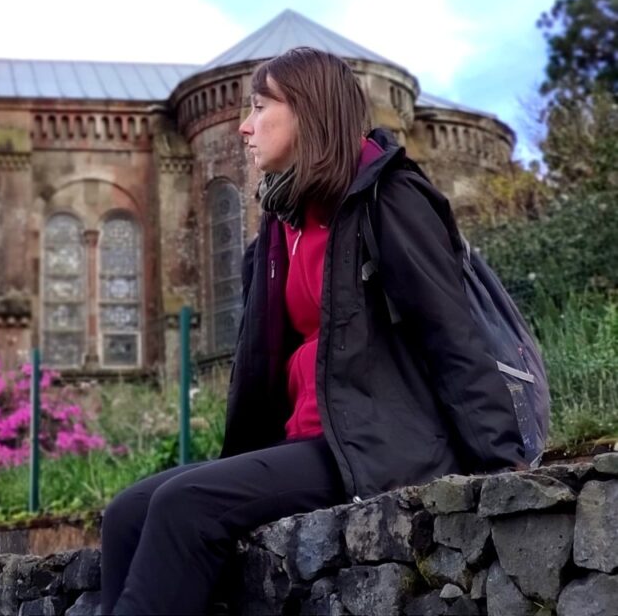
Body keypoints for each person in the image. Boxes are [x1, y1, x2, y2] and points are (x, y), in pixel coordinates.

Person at [101, 47, 525, 615]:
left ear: (306, 110)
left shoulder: (389, 197)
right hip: (305, 444)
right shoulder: (279, 229)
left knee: (186, 505)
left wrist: (502, 469)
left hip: (379, 445)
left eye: (258, 107)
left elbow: (449, 332)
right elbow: (263, 369)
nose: (244, 127)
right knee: (127, 511)